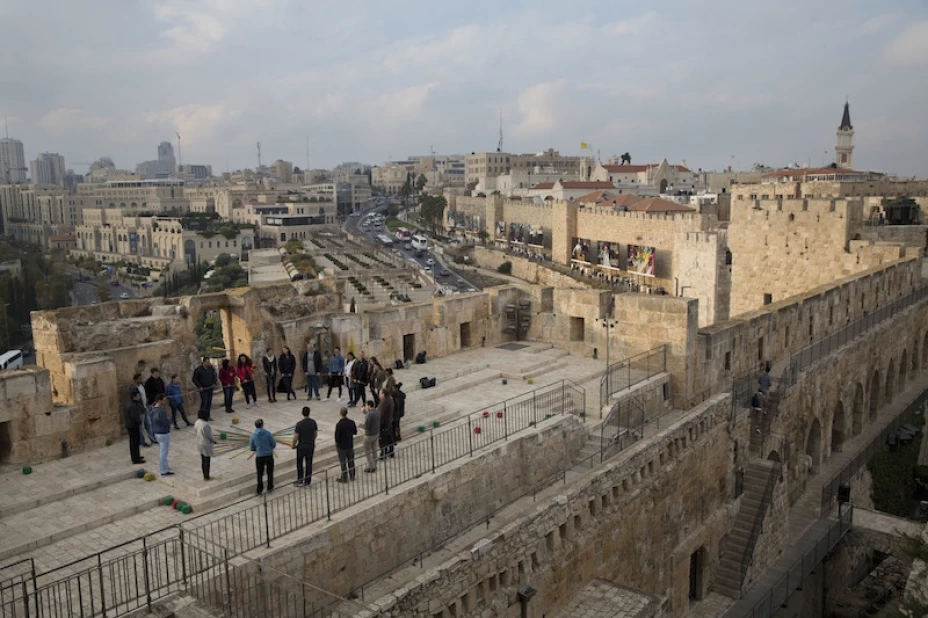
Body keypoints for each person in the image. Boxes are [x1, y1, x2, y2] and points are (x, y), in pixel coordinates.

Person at [249, 419, 277, 495]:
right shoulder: (268, 434)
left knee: (259, 473)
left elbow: (251, 448)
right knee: (270, 472)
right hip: (268, 455)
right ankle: (270, 487)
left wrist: (257, 449)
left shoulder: (253, 436)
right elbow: (274, 444)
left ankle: (259, 489)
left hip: (259, 456)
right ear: (262, 425)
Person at [292, 406, 318, 486]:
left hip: (301, 446)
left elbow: (296, 437)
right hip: (310, 445)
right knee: (309, 463)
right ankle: (307, 481)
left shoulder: (299, 424)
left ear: (302, 413)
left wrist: (293, 445)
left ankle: (300, 480)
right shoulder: (313, 422)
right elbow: (315, 434)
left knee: (299, 463)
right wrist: (311, 440)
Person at [150, 394, 174, 476]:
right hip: (163, 433)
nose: (165, 401)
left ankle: (165, 466)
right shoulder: (160, 411)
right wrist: (169, 422)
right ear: (159, 400)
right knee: (163, 452)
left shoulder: (153, 409)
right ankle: (163, 470)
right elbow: (163, 421)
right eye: (164, 400)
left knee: (163, 451)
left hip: (157, 432)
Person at [131, 373, 155, 446]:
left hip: (145, 408)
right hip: (140, 410)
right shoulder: (133, 388)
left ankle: (152, 438)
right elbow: (135, 400)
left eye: (141, 378)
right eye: (139, 379)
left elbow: (145, 396)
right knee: (141, 427)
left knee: (149, 424)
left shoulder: (142, 386)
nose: (141, 380)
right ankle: (142, 441)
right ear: (136, 379)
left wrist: (146, 405)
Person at [334, 406, 357, 482]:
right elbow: (355, 432)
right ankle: (352, 476)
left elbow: (337, 437)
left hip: (342, 446)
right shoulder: (351, 422)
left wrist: (337, 445)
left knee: (343, 463)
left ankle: (344, 478)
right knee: (351, 461)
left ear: (340, 413)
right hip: (350, 444)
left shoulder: (339, 424)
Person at [124, 387, 146, 464]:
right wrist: (139, 421)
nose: (139, 396)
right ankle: (135, 459)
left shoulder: (130, 402)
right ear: (135, 395)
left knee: (134, 442)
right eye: (138, 395)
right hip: (133, 425)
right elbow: (134, 416)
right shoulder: (132, 405)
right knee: (134, 442)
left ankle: (136, 456)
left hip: (130, 425)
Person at [195, 408, 217, 480]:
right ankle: (207, 476)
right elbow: (209, 436)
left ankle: (205, 475)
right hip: (205, 444)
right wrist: (214, 441)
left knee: (203, 460)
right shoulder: (205, 425)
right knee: (207, 460)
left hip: (199, 442)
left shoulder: (197, 422)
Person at [362, 400, 380, 473]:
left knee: (367, 451)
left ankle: (371, 466)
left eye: (366, 405)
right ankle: (375, 465)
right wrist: (365, 412)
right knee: (374, 450)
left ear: (369, 406)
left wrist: (360, 425)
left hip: (369, 435)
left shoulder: (369, 414)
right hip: (376, 433)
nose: (366, 407)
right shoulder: (377, 412)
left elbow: (367, 426)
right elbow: (370, 415)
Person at [378, 387, 395, 459]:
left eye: (380, 393)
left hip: (384, 424)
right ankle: (391, 452)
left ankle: (383, 453)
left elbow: (382, 415)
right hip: (389, 422)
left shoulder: (384, 402)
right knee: (389, 438)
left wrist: (379, 425)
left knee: (383, 440)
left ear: (383, 394)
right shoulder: (390, 400)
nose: (379, 394)